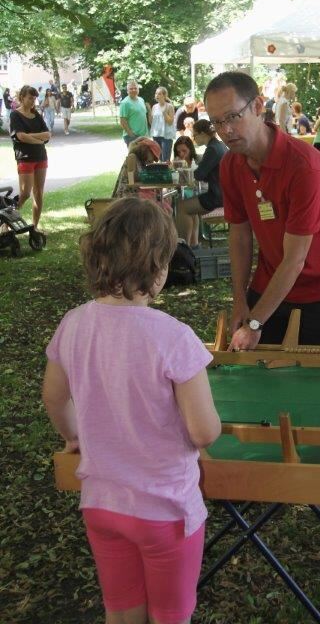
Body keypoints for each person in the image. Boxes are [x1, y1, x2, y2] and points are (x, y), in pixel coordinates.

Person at [205, 70, 320, 534]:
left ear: (259, 106)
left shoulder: (306, 163)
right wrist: (241, 300)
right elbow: (240, 236)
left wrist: (255, 322)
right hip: (270, 285)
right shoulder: (231, 165)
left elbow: (297, 258)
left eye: (233, 117)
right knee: (260, 383)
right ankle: (271, 473)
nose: (226, 131)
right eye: (216, 123)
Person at [42, 198, 221, 624]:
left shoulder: (73, 323)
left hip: (102, 505)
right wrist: (214, 422)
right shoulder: (174, 336)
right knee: (170, 617)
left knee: (121, 614)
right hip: (166, 512)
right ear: (159, 269)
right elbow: (202, 432)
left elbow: (53, 396)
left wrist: (72, 436)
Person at [175, 119, 228, 248]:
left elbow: (199, 174)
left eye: (195, 135)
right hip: (222, 192)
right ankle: (194, 245)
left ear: (203, 134)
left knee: (181, 207)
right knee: (190, 208)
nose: (194, 138)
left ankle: (184, 248)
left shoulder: (212, 149)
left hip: (217, 196)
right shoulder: (219, 145)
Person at [9, 85, 51, 230]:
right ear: (22, 97)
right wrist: (39, 140)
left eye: (34, 98)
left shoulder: (36, 115)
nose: (33, 101)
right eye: (30, 98)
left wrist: (30, 137)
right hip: (25, 158)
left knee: (38, 192)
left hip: (41, 157)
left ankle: (35, 226)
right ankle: (5, 220)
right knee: (25, 193)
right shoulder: (15, 115)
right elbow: (20, 136)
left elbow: (48, 134)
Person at [119, 80, 148, 147]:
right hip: (132, 136)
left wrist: (146, 133)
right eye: (131, 89)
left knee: (143, 156)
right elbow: (122, 121)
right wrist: (131, 135)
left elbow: (144, 116)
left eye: (135, 88)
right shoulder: (125, 103)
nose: (133, 90)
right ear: (127, 91)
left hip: (143, 135)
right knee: (134, 157)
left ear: (138, 90)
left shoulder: (141, 100)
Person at [150, 86, 175, 162]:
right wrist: (148, 110)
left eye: (159, 94)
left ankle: (167, 173)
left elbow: (170, 122)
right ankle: (160, 173)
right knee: (158, 158)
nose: (157, 95)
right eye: (156, 93)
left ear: (164, 95)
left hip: (166, 136)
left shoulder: (169, 106)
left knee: (166, 159)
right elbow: (152, 122)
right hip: (156, 135)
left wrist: (164, 112)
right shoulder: (154, 107)